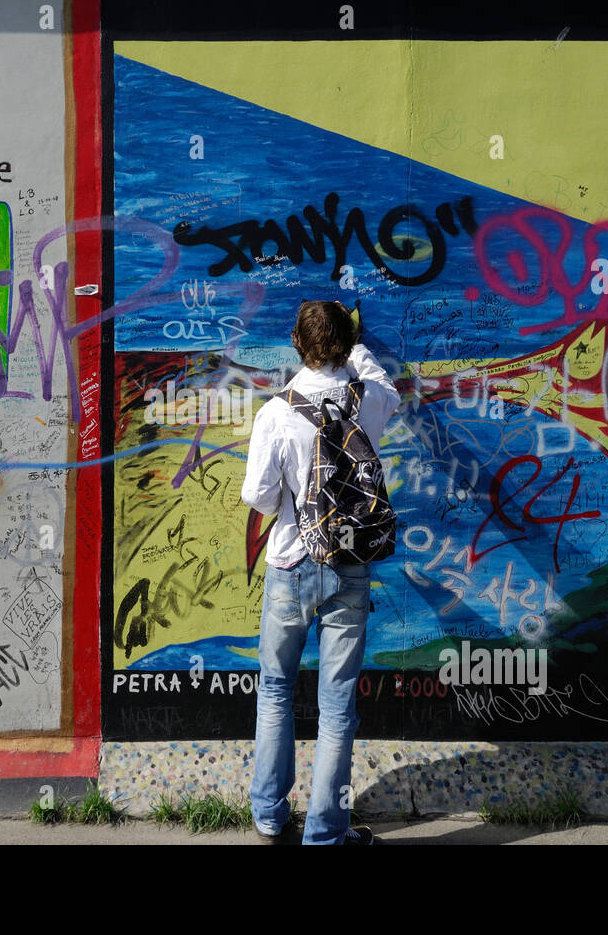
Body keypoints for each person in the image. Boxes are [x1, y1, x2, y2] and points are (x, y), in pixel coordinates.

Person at [240, 299, 400, 845]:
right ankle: (325, 832)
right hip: (349, 564)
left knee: (277, 689)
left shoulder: (275, 412)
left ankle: (268, 814)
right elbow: (387, 387)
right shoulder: (369, 399)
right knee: (337, 704)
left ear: (296, 345)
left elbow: (260, 498)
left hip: (289, 562)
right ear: (344, 343)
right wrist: (358, 345)